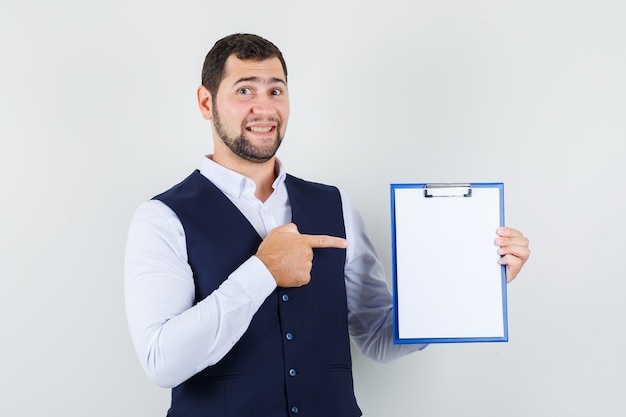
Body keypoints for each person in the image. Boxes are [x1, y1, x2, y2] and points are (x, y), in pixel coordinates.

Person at [124, 33, 530, 417]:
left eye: (276, 90)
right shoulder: (162, 218)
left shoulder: (334, 204)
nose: (264, 108)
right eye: (245, 89)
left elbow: (377, 336)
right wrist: (263, 271)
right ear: (205, 102)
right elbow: (162, 362)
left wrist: (471, 283)